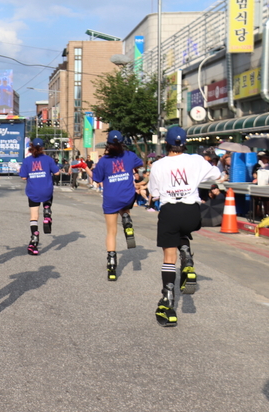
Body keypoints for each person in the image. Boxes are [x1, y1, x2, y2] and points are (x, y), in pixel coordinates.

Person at [148, 127, 221, 327]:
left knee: (168, 258)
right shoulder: (196, 160)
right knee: (183, 232)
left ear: (166, 144)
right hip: (192, 213)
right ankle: (186, 254)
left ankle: (168, 303)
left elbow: (154, 193)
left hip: (170, 211)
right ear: (184, 143)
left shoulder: (158, 165)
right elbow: (217, 175)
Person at [91, 131, 142, 281]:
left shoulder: (104, 161)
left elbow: (97, 179)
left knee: (111, 232)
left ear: (107, 144)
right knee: (125, 206)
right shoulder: (129, 155)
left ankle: (112, 265)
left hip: (110, 198)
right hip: (127, 197)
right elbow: (140, 164)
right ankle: (126, 219)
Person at [19, 138, 60, 255]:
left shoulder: (27, 161)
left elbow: (23, 177)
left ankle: (34, 239)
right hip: (46, 189)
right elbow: (56, 173)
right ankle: (47, 212)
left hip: (33, 191)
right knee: (48, 195)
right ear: (43, 147)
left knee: (34, 216)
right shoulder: (48, 159)